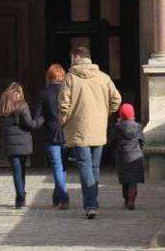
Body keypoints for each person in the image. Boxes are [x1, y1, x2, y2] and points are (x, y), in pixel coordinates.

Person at [58, 45, 122, 220]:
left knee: (85, 166)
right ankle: (93, 202)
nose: (70, 61)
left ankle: (90, 204)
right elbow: (117, 99)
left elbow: (64, 103)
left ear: (77, 57)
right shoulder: (104, 77)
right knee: (94, 167)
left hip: (78, 129)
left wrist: (62, 121)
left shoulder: (70, 78)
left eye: (71, 58)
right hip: (98, 129)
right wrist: (106, 112)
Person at [0, 82, 42, 210]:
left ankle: (19, 197)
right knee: (22, 170)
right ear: (20, 93)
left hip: (9, 144)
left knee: (16, 171)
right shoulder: (22, 105)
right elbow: (30, 124)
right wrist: (41, 119)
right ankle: (21, 195)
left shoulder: (2, 107)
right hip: (23, 143)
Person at [32, 63, 69, 209]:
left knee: (57, 167)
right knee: (63, 168)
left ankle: (64, 198)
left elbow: (38, 116)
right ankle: (57, 198)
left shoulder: (44, 93)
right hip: (67, 133)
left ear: (49, 76)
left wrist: (34, 123)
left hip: (51, 133)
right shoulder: (68, 91)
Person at [112, 102, 145, 210]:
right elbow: (142, 141)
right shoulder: (138, 126)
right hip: (136, 156)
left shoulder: (118, 127)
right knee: (133, 181)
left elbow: (113, 141)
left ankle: (126, 199)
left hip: (123, 157)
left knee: (125, 180)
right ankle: (132, 200)